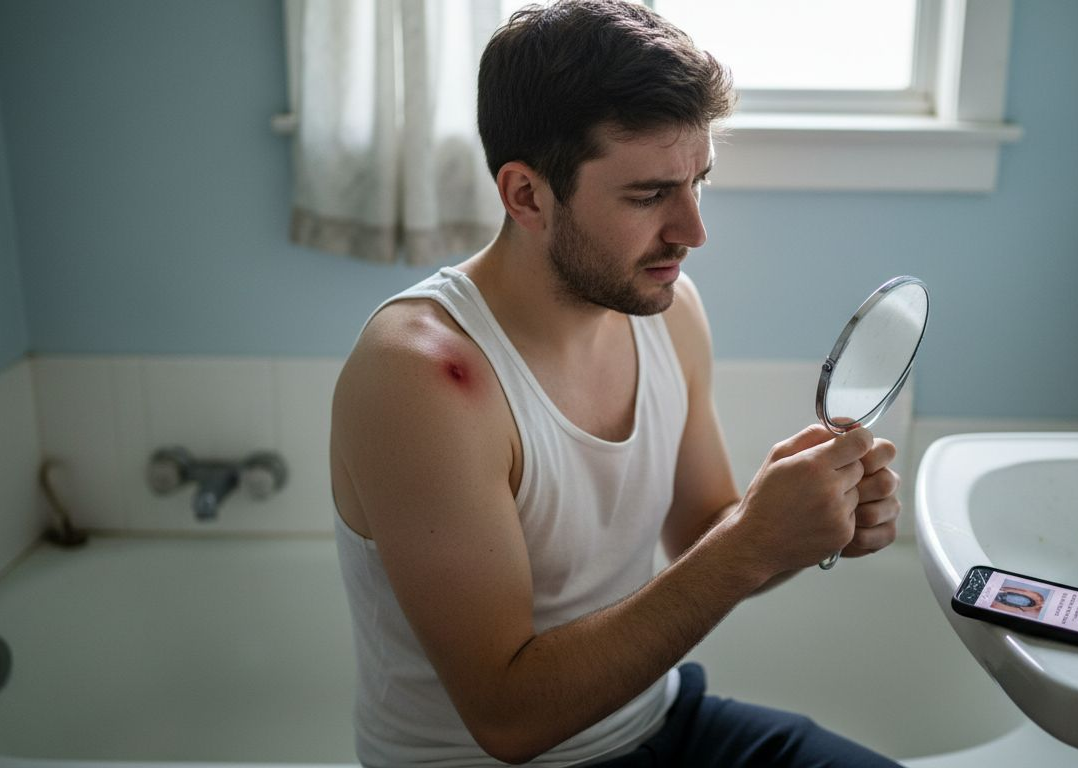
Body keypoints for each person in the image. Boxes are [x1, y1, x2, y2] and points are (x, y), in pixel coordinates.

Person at [329, 1, 904, 765]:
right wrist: (751, 543)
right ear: (526, 195)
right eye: (648, 195)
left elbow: (705, 531)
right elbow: (507, 720)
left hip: (660, 722)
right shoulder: (424, 377)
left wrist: (800, 526)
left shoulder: (666, 311)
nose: (694, 231)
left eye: (699, 181)